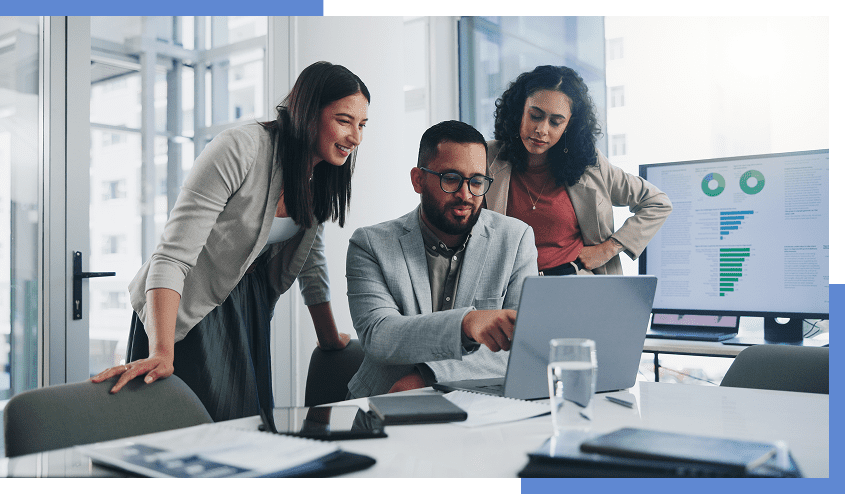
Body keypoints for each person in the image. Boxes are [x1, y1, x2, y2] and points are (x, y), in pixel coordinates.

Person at [91, 61, 370, 422]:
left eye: (362, 125)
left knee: (246, 427)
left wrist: (329, 337)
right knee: (202, 432)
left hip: (245, 306)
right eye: (344, 121)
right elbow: (172, 256)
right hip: (186, 306)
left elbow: (309, 258)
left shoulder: (319, 174)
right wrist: (162, 349)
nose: (356, 138)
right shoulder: (241, 148)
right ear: (307, 112)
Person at [345, 120, 538, 398]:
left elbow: (523, 345)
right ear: (418, 180)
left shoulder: (516, 239)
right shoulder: (370, 244)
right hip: (382, 400)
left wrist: (428, 376)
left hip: (479, 404)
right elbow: (380, 336)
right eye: (450, 179)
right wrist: (467, 324)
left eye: (476, 181)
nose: (465, 195)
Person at [485, 65, 671, 276]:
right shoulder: (486, 157)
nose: (541, 130)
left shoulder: (590, 164)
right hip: (509, 289)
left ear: (569, 125)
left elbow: (657, 203)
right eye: (535, 116)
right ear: (519, 111)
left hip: (577, 285)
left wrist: (608, 248)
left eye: (556, 122)